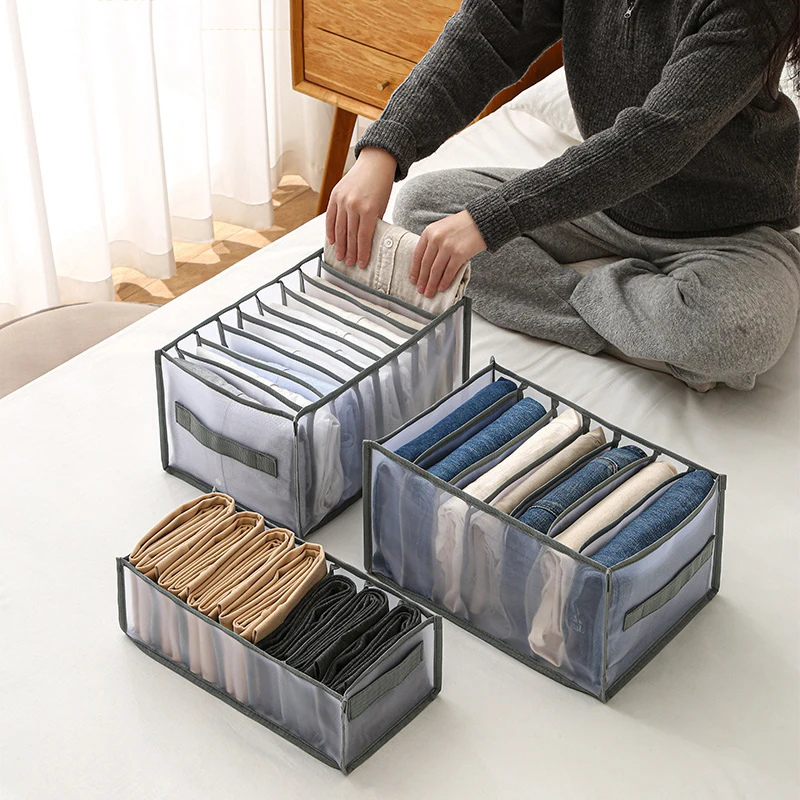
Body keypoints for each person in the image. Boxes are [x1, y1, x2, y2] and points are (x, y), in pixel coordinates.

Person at [325, 0, 800, 391]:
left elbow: (657, 138)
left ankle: (613, 299)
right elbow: (487, 32)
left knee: (736, 335)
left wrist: (492, 219)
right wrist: (383, 149)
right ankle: (627, 319)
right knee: (422, 208)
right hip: (599, 203)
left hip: (731, 231)